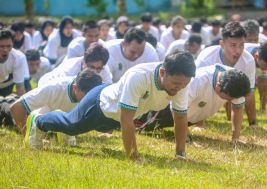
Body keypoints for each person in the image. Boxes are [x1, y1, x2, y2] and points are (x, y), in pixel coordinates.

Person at [25, 50, 196, 161]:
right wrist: (134, 156)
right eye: (176, 83)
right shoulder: (139, 77)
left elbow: (180, 118)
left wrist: (180, 154)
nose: (180, 88)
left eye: (184, 84)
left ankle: (60, 125)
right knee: (71, 126)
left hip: (115, 117)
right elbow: (126, 119)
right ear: (162, 73)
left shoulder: (181, 83)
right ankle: (39, 121)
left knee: (75, 126)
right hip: (100, 104)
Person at [139, 65, 250, 143]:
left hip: (189, 117)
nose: (231, 102)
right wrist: (187, 139)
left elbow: (238, 108)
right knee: (137, 125)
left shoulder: (237, 81)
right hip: (167, 109)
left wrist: (236, 138)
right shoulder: (198, 80)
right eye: (229, 99)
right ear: (218, 86)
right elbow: (177, 110)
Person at [10, 69, 102, 145]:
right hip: (40, 104)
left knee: (69, 143)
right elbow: (16, 107)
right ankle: (35, 123)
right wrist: (26, 133)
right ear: (75, 88)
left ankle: (60, 128)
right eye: (86, 96)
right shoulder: (52, 88)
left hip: (63, 111)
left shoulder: (100, 91)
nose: (89, 99)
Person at [196, 21, 257, 127]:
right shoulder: (206, 59)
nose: (238, 50)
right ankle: (199, 122)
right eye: (233, 45)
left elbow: (248, 92)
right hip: (208, 90)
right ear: (222, 44)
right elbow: (196, 90)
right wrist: (198, 124)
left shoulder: (248, 61)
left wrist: (253, 123)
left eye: (242, 45)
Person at [39, 43, 112, 84]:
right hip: (48, 84)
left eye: (98, 68)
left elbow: (107, 89)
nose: (95, 71)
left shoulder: (104, 69)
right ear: (84, 61)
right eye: (91, 67)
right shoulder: (70, 70)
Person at [0, 29, 29, 97]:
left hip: (6, 85)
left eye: (8, 46)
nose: (5, 50)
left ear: (13, 44)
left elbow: (20, 88)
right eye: (1, 46)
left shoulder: (19, 58)